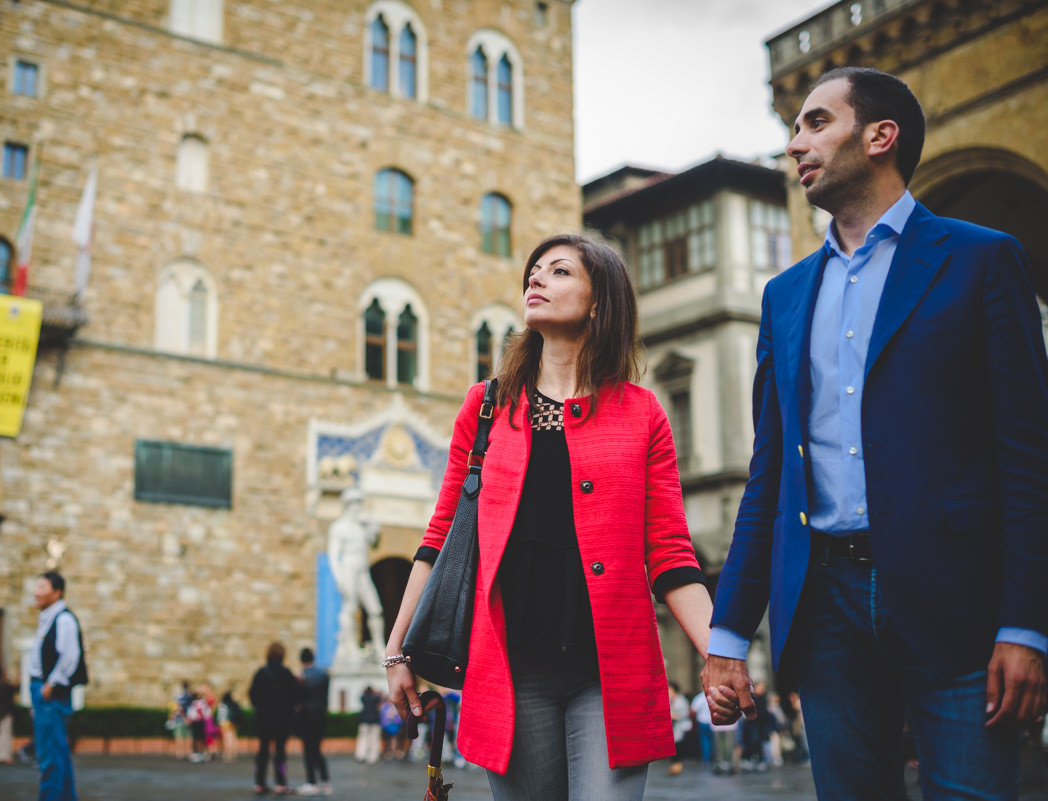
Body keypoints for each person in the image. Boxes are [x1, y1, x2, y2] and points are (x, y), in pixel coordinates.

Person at [702, 66, 1048, 801]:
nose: (795, 144)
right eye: (794, 127)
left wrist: (1027, 624)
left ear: (880, 136)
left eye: (816, 122)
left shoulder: (982, 259)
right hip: (823, 606)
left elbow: (1028, 457)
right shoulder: (785, 295)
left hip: (959, 599)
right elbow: (770, 475)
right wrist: (728, 634)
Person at [385, 233, 714, 800]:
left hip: (609, 674)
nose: (536, 278)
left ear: (599, 303)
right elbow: (441, 536)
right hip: (510, 672)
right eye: (534, 271)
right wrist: (397, 650)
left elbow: (670, 552)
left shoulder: (643, 414)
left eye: (559, 271)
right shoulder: (485, 407)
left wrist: (721, 652)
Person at [29, 570, 88, 801]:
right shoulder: (50, 617)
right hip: (46, 689)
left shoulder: (63, 619)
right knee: (58, 753)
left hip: (50, 692)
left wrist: (51, 684)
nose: (36, 592)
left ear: (57, 592)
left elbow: (70, 656)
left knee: (50, 756)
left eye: (41, 587)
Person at [327, 488, 385, 662]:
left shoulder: (361, 527)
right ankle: (350, 647)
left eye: (360, 504)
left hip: (363, 569)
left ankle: (379, 646)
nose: (358, 508)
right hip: (348, 567)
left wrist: (374, 529)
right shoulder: (338, 527)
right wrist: (339, 578)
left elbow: (374, 544)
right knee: (349, 608)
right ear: (348, 505)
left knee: (375, 609)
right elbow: (333, 555)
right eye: (356, 504)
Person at [248, 641, 299, 794]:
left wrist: (261, 707)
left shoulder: (261, 673)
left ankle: (260, 782)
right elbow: (295, 696)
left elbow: (252, 694)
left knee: (263, 751)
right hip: (282, 719)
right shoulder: (286, 673)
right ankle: (281, 782)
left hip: (264, 718)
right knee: (280, 752)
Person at [295, 647, 331, 796]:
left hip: (307, 716)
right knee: (317, 749)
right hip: (321, 715)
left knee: (308, 750)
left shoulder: (302, 677)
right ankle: (324, 781)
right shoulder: (323, 675)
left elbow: (299, 699)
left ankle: (311, 782)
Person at [0, 668, 17, 764]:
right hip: (6, 712)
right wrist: (17, 679)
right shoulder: (4, 684)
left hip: (0, 712)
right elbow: (14, 689)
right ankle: (4, 756)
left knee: (0, 734)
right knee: (5, 735)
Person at [667, 683, 690, 776]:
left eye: (670, 689)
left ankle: (678, 765)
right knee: (672, 746)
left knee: (678, 746)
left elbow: (684, 713)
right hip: (672, 727)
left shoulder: (681, 700)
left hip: (679, 727)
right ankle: (674, 765)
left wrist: (673, 716)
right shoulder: (669, 700)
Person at [355, 686, 382, 764]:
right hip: (374, 720)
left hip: (364, 720)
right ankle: (373, 756)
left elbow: (361, 696)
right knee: (374, 739)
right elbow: (379, 698)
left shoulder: (363, 698)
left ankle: (361, 755)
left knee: (363, 738)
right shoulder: (375, 698)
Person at [217, 690, 241, 762]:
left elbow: (221, 715)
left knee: (227, 738)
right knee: (233, 737)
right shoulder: (234, 704)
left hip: (225, 723)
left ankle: (228, 753)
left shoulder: (223, 704)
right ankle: (233, 753)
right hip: (234, 722)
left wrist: (219, 722)